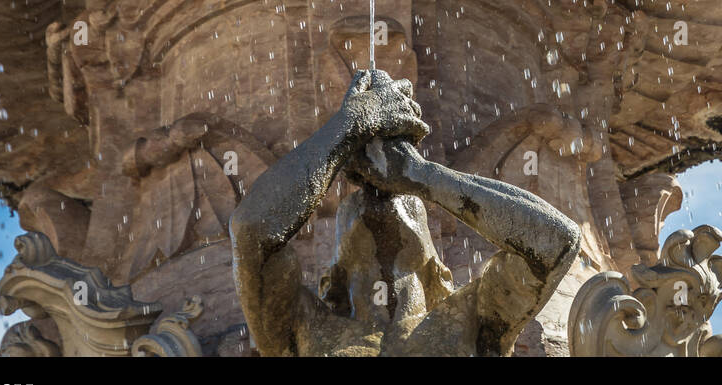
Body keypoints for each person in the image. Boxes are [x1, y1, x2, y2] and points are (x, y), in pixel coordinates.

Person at [230, 69, 582, 356]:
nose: (380, 192)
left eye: (410, 200)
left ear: (439, 272)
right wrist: (351, 125)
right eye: (355, 203)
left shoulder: (470, 318)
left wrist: (420, 175)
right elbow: (251, 231)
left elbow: (557, 241)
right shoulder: (304, 327)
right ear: (329, 280)